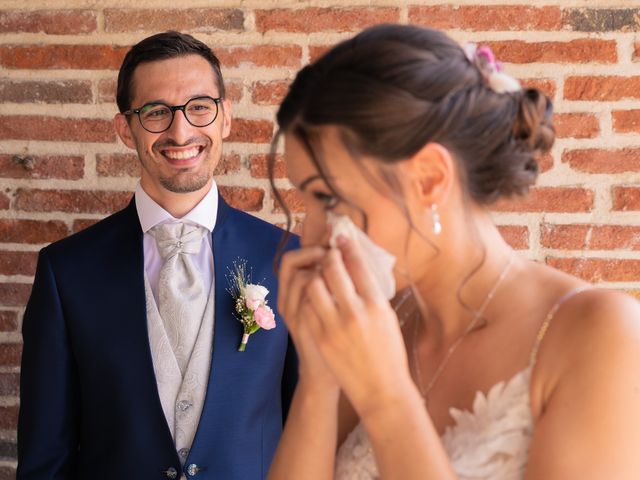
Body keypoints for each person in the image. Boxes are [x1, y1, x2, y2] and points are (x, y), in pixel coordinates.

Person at [267, 24, 640, 479]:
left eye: (327, 198)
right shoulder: (379, 323)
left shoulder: (601, 333)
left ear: (428, 178)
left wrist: (387, 399)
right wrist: (318, 379)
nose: (313, 237)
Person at [18, 31, 297, 480]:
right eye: (155, 112)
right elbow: (46, 457)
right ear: (125, 129)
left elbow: (314, 431)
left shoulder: (288, 259)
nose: (180, 131)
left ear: (225, 117)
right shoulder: (66, 272)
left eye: (199, 107)